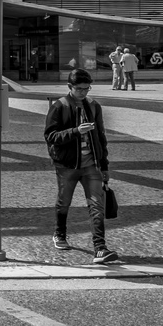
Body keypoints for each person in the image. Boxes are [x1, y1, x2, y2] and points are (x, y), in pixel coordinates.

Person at [43, 70, 118, 264]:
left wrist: (104, 165)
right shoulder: (60, 106)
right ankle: (60, 233)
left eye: (87, 88)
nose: (83, 92)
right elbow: (50, 136)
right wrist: (76, 131)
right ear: (70, 87)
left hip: (92, 165)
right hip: (67, 165)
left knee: (96, 205)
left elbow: (101, 137)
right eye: (79, 89)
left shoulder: (94, 106)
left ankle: (100, 249)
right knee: (64, 201)